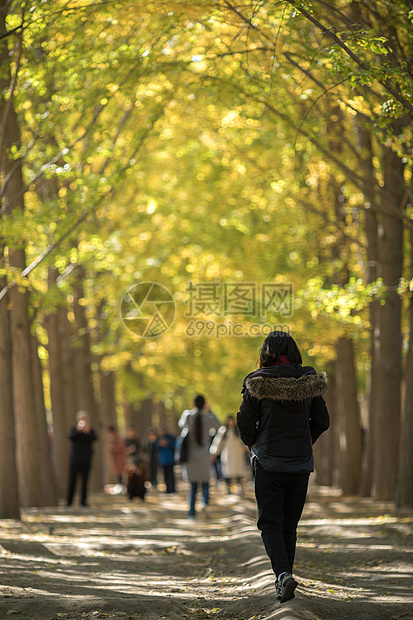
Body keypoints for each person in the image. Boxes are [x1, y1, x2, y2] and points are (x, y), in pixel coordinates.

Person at [237, 331, 329, 604]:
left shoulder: (257, 382)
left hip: (268, 463)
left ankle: (282, 575)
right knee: (289, 526)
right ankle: (285, 578)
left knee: (270, 524)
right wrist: (305, 441)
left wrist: (255, 445)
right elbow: (322, 420)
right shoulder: (310, 381)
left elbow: (244, 422)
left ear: (267, 352)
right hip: (300, 464)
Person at [181, 394, 220, 519]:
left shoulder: (188, 416)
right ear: (204, 404)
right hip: (204, 456)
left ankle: (191, 513)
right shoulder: (208, 418)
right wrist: (210, 410)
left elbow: (181, 424)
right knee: (205, 485)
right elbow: (219, 425)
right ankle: (204, 509)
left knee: (192, 486)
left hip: (191, 457)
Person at [210, 415, 247, 494]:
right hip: (228, 453)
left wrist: (246, 447)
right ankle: (228, 488)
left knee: (239, 472)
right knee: (227, 472)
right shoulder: (223, 430)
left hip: (237, 453)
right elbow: (217, 442)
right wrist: (214, 452)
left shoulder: (237, 430)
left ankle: (240, 489)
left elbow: (243, 440)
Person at [67, 411, 97, 507]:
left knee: (85, 481)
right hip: (75, 459)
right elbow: (70, 437)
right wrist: (78, 430)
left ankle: (83, 501)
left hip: (86, 460)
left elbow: (95, 438)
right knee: (72, 480)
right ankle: (69, 501)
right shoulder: (74, 430)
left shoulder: (90, 431)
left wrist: (87, 431)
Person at [155, 427, 176, 493]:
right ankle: (167, 489)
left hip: (170, 460)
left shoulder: (171, 438)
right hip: (162, 460)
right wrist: (160, 444)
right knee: (165, 475)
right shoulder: (159, 438)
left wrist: (167, 444)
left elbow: (174, 447)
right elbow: (156, 448)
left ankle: (172, 489)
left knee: (171, 475)